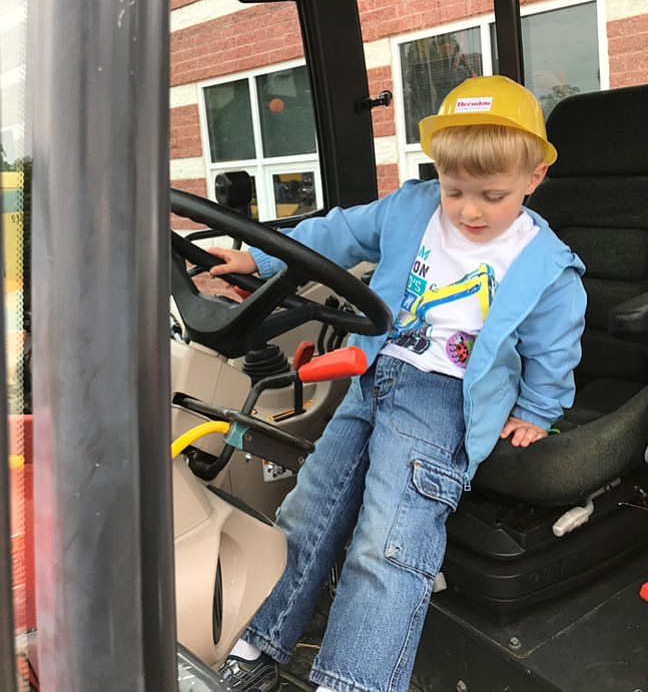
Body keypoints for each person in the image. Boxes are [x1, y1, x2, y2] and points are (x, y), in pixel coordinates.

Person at [208, 75, 587, 692]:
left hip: (446, 399)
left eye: (491, 195)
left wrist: (539, 410)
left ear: (534, 177)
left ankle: (352, 682)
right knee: (308, 509)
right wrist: (262, 255)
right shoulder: (411, 208)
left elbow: (554, 346)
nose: (467, 209)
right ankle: (261, 639)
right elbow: (336, 234)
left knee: (386, 546)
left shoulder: (545, 264)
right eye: (454, 187)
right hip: (375, 376)